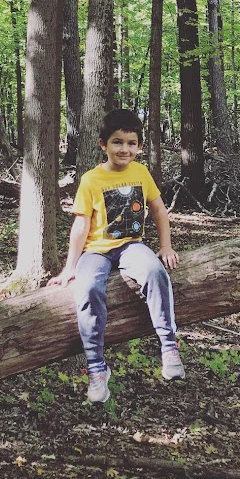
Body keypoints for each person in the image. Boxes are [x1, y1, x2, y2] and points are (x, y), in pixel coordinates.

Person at [51, 108, 184, 403]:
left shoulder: (141, 172)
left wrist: (165, 246)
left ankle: (168, 345)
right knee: (86, 289)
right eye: (117, 142)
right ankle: (97, 368)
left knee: (154, 272)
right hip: (96, 251)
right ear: (103, 144)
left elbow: (160, 210)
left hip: (130, 246)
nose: (124, 149)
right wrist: (69, 267)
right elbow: (81, 224)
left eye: (131, 143)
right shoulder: (91, 179)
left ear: (139, 147)